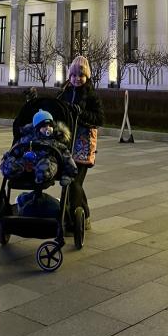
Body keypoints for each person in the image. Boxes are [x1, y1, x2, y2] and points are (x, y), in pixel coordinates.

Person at [57, 55, 104, 230]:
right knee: (71, 181)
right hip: (66, 144)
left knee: (75, 182)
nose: (77, 79)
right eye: (74, 75)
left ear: (87, 76)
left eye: (81, 75)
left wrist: (81, 113)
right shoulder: (64, 92)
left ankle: (74, 220)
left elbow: (99, 118)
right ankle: (84, 216)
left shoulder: (91, 95)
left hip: (83, 145)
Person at [0, 109, 78, 186]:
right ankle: (15, 172)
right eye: (44, 126)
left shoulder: (54, 140)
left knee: (45, 165)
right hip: (27, 164)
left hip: (45, 162)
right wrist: (10, 158)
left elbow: (65, 154)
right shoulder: (27, 138)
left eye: (50, 126)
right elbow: (16, 149)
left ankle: (41, 176)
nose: (47, 128)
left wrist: (69, 174)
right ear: (37, 128)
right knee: (10, 165)